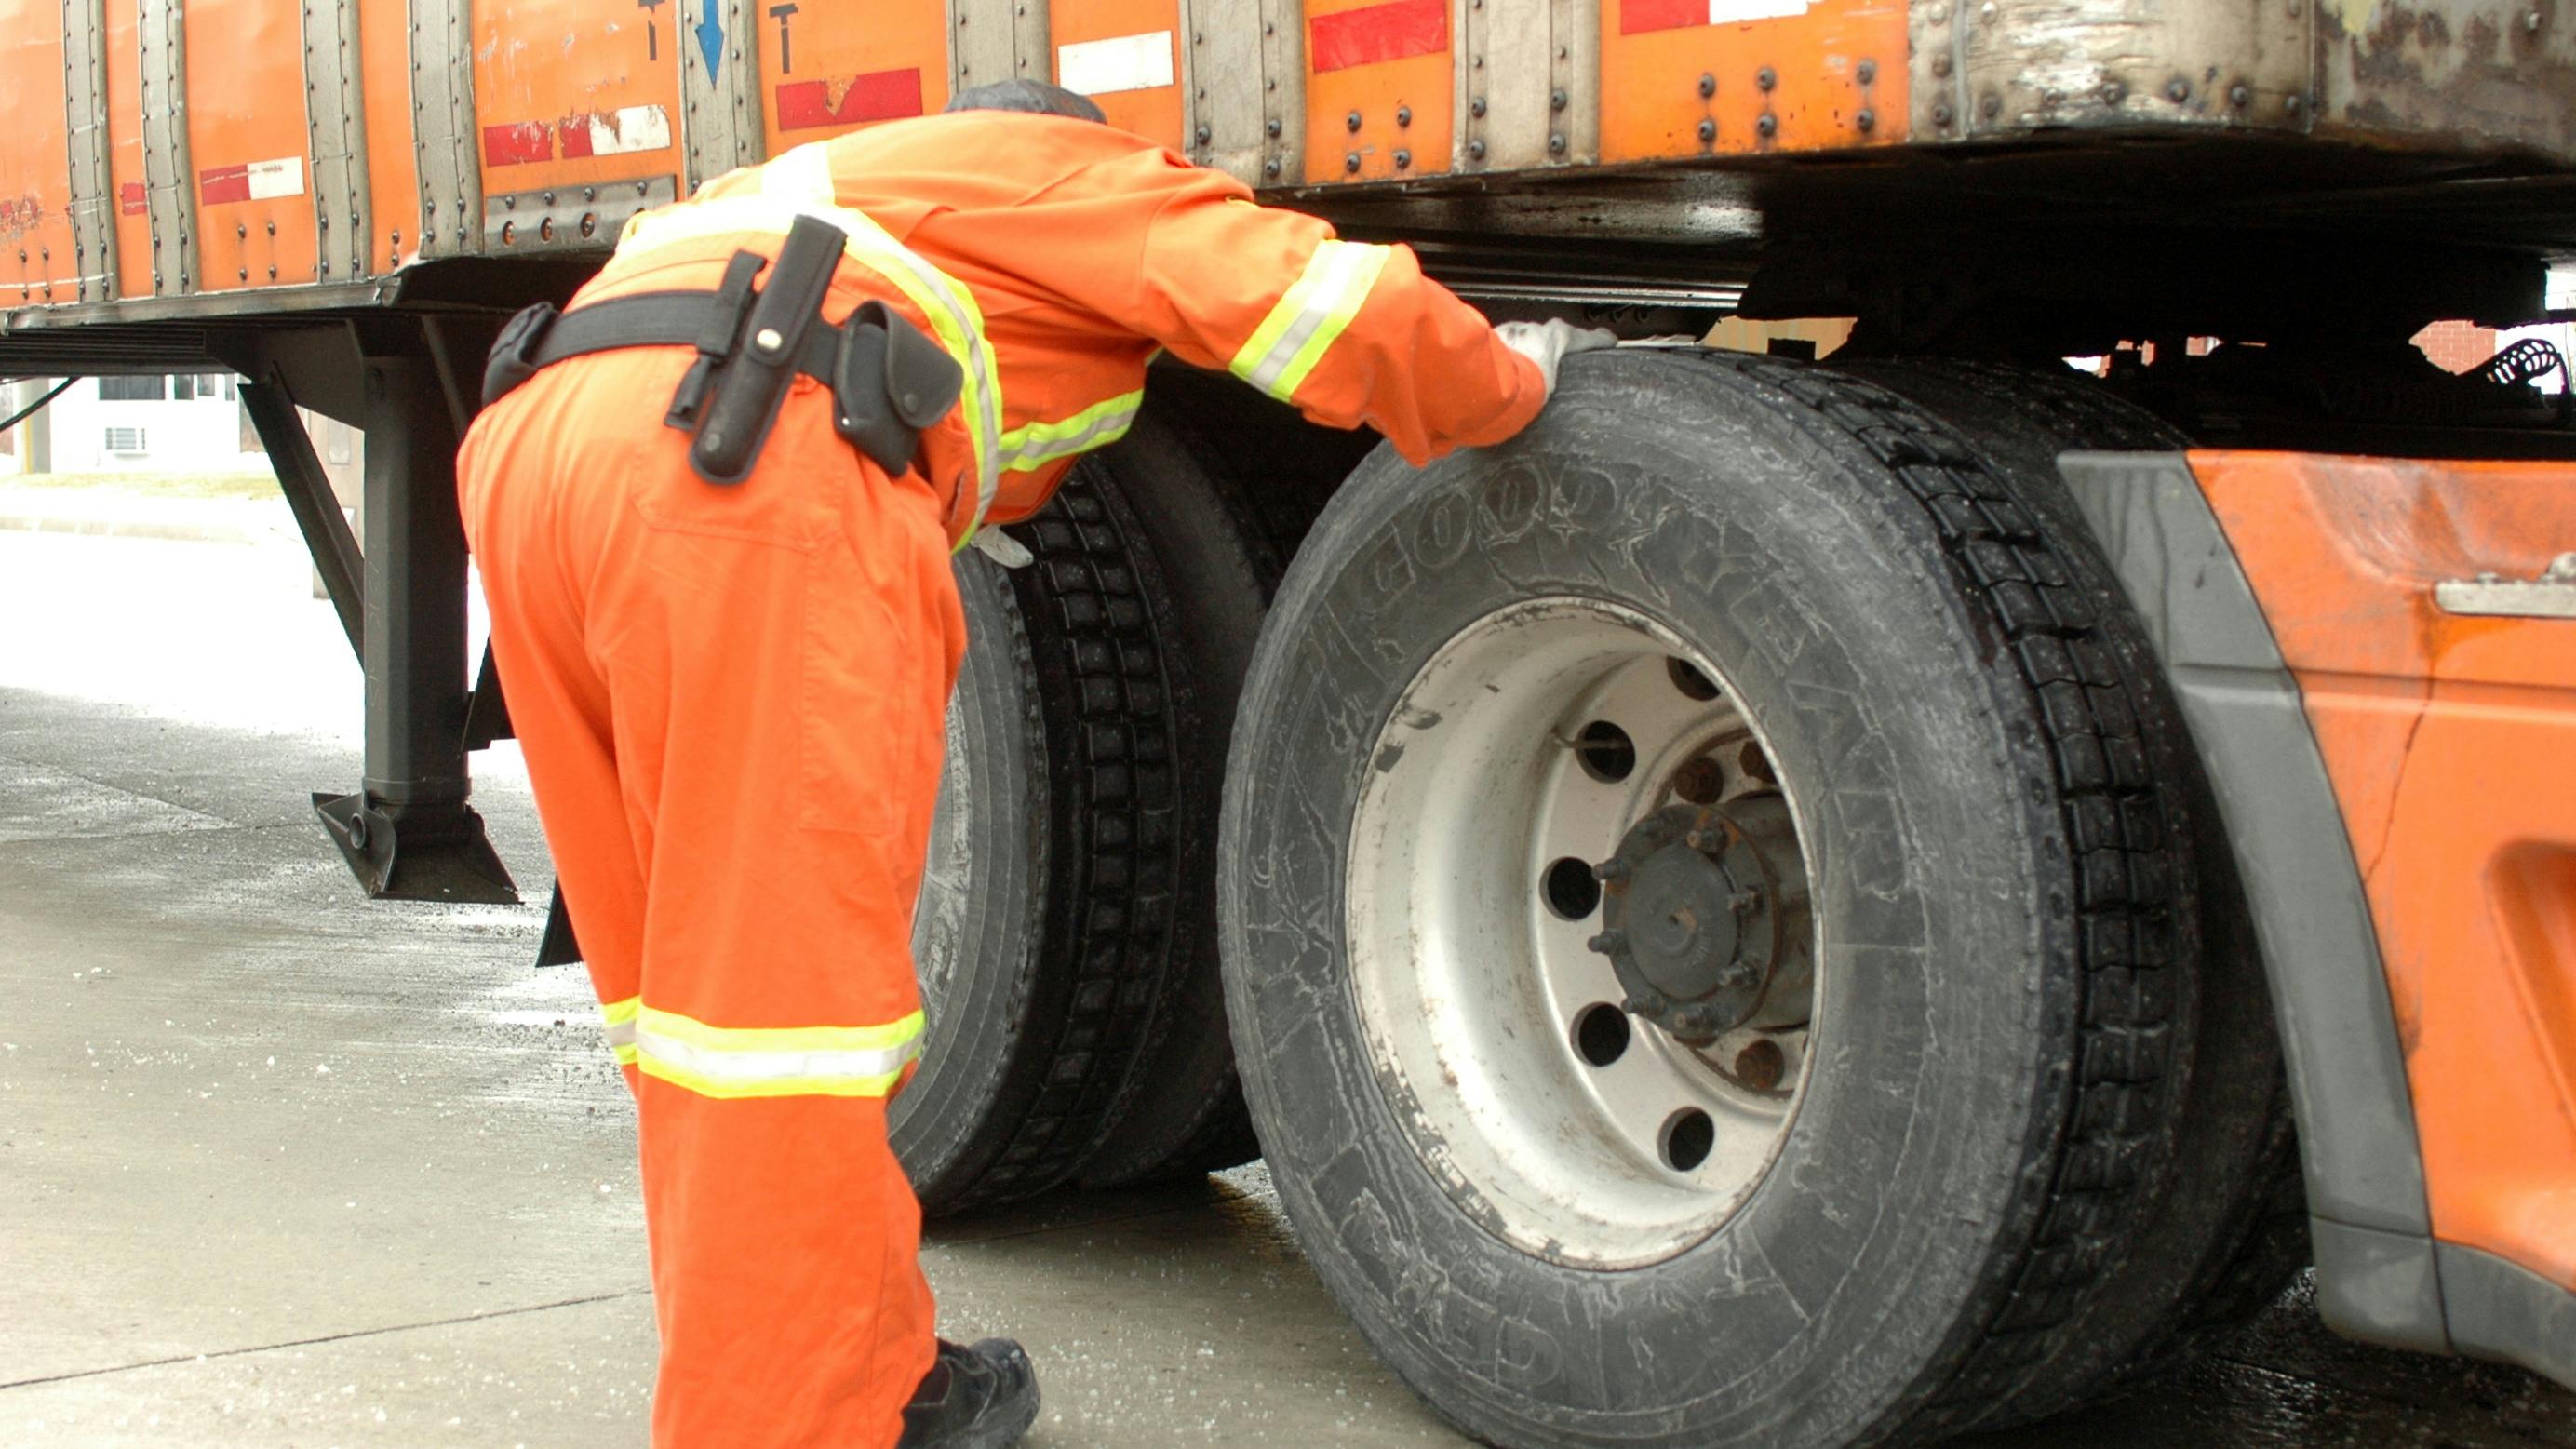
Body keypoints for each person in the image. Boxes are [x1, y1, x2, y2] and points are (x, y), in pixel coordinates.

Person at [456, 77, 1612, 1449]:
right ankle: (806, 1422)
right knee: (783, 1021)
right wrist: (1510, 380)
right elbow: (1316, 302)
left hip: (536, 463)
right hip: (743, 469)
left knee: (689, 1016)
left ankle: (853, 1367)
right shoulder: (1064, 175)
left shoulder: (825, 187)